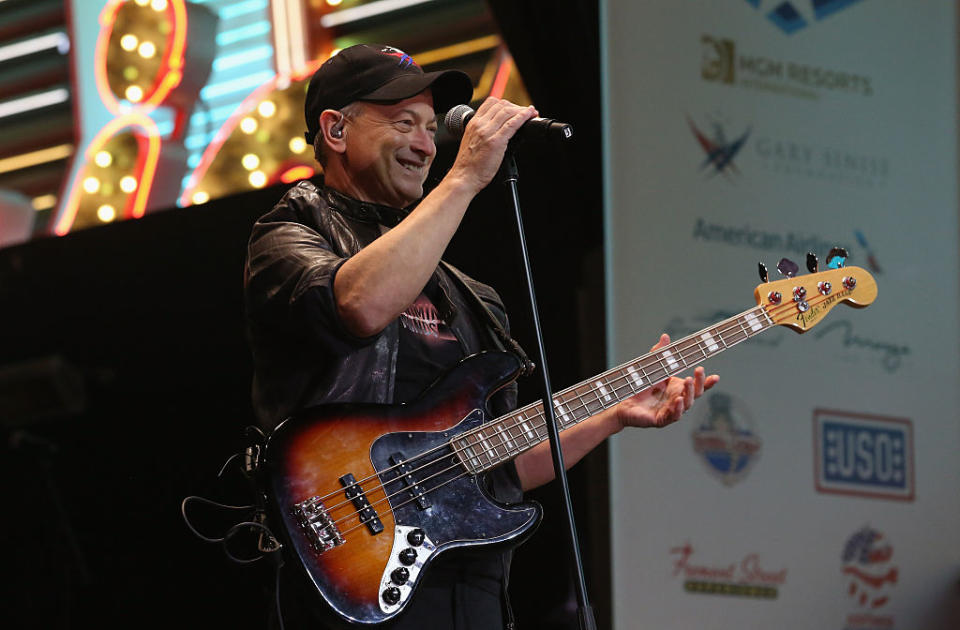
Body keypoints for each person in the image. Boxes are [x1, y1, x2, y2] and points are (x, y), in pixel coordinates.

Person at [243, 43, 718, 629]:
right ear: (336, 129)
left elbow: (503, 464)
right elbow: (359, 306)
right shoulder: (290, 234)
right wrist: (466, 176)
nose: (425, 146)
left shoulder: (471, 296)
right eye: (403, 124)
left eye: (429, 128)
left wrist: (611, 414)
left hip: (469, 588)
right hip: (350, 574)